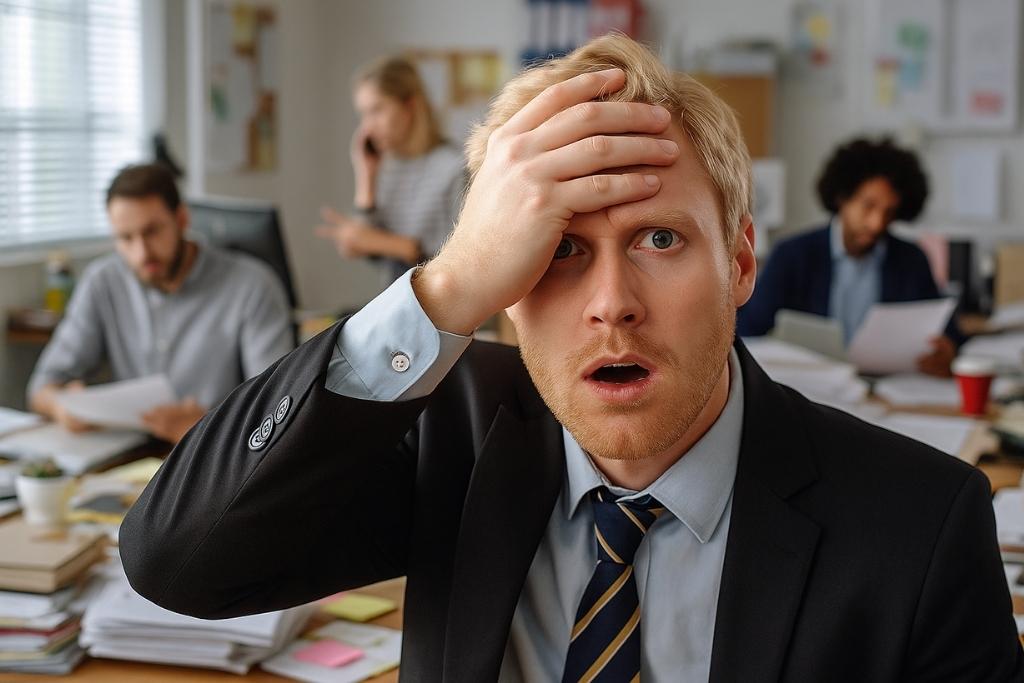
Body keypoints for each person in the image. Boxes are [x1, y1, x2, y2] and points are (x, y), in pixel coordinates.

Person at [121, 37, 1021, 681]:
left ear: (741, 261)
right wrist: (449, 282)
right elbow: (176, 559)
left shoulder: (926, 524)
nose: (612, 301)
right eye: (556, 249)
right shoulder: (453, 441)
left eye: (660, 237)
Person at [28, 164, 293, 444]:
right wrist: (61, 405)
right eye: (126, 238)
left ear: (181, 219)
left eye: (152, 231)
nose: (141, 253)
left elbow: (278, 408)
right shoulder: (102, 281)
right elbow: (41, 387)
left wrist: (204, 427)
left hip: (219, 452)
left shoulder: (252, 285)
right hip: (131, 453)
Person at [737, 138, 958, 376]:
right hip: (810, 388)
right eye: (868, 206)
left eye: (889, 212)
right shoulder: (793, 255)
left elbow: (949, 332)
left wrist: (948, 351)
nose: (877, 224)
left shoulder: (911, 260)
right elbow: (749, 329)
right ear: (842, 198)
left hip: (889, 393)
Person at [315, 56, 466, 286]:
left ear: (410, 106)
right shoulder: (385, 168)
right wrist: (365, 177)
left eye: (377, 110)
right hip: (399, 305)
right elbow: (369, 250)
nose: (367, 127)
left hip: (445, 316)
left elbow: (465, 262)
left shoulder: (454, 167)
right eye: (363, 114)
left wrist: (394, 245)